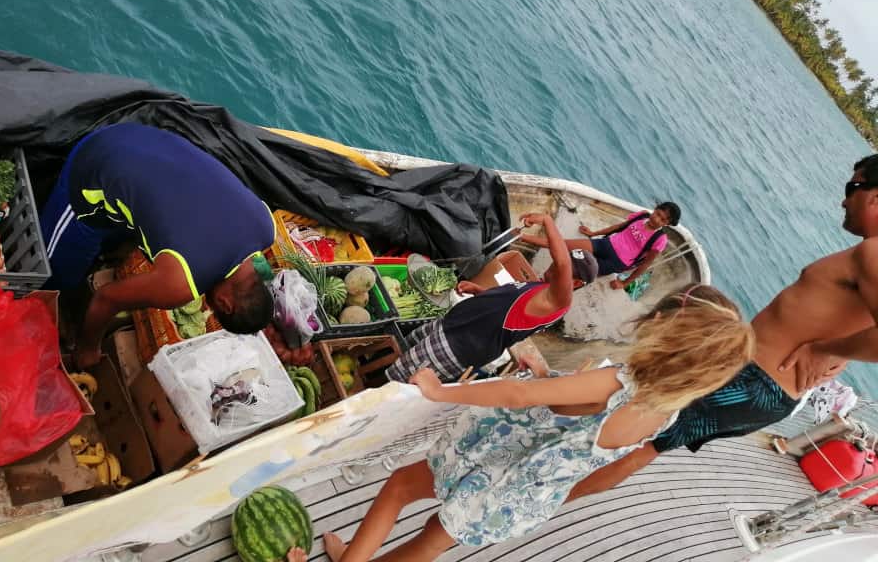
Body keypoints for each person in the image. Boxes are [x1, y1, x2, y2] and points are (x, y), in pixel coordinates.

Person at [323, 285, 754, 562]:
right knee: (431, 542)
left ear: (661, 326)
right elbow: (576, 424)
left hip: (493, 464)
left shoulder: (615, 382)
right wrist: (550, 379)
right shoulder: (665, 412)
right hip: (522, 496)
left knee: (399, 487)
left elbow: (518, 395)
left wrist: (441, 392)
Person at [566, 155, 878, 502]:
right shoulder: (865, 254)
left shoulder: (873, 252)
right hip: (761, 387)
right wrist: (839, 348)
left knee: (632, 432)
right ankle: (545, 502)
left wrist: (827, 350)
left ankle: (536, 500)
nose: (843, 199)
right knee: (647, 445)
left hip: (752, 379)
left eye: (853, 187)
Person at [39, 122, 276, 367]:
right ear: (225, 304)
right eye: (215, 308)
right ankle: (47, 299)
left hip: (145, 135)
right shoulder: (180, 285)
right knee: (56, 274)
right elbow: (106, 298)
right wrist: (88, 348)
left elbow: (259, 268)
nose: (208, 304)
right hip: (95, 164)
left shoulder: (266, 227)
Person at [386, 213, 597, 383]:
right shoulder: (542, 286)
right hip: (453, 324)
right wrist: (479, 291)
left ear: (575, 283)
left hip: (457, 346)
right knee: (400, 350)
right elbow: (507, 304)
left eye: (565, 270)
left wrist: (548, 221)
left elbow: (562, 264)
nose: (553, 265)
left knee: (398, 379)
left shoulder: (558, 302)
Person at [519, 201, 681, 289]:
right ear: (655, 209)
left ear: (667, 224)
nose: (657, 219)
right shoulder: (641, 216)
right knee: (562, 245)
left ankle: (545, 290)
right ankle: (520, 236)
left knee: (576, 276)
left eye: (663, 220)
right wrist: (593, 234)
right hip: (606, 244)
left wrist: (624, 283)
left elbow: (645, 264)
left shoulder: (660, 239)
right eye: (658, 214)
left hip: (617, 262)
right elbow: (618, 227)